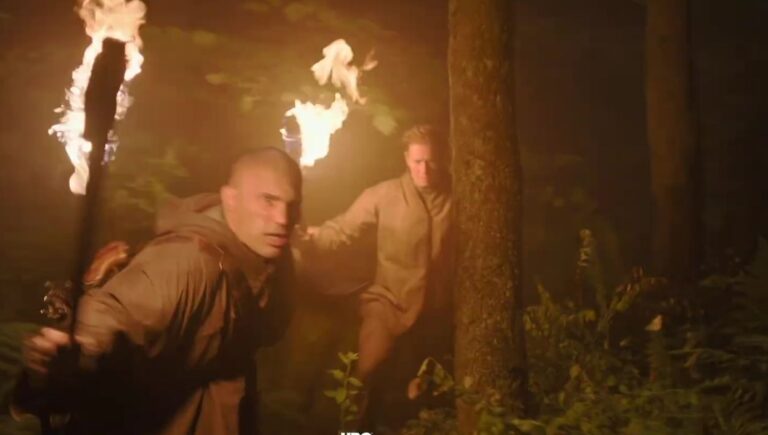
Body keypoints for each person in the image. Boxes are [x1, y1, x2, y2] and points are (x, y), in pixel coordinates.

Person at [14, 147, 302, 434]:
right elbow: (116, 315)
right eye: (268, 201)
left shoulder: (262, 252)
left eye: (292, 205)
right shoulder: (187, 263)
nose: (283, 219)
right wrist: (77, 351)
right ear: (230, 198)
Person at [300, 124, 454, 391]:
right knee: (367, 373)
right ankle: (353, 418)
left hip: (436, 310)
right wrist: (311, 238)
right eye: (417, 161)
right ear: (406, 159)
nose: (424, 169)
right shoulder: (384, 195)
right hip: (388, 302)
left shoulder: (456, 198)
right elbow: (343, 230)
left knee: (431, 387)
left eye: (430, 161)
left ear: (442, 159)